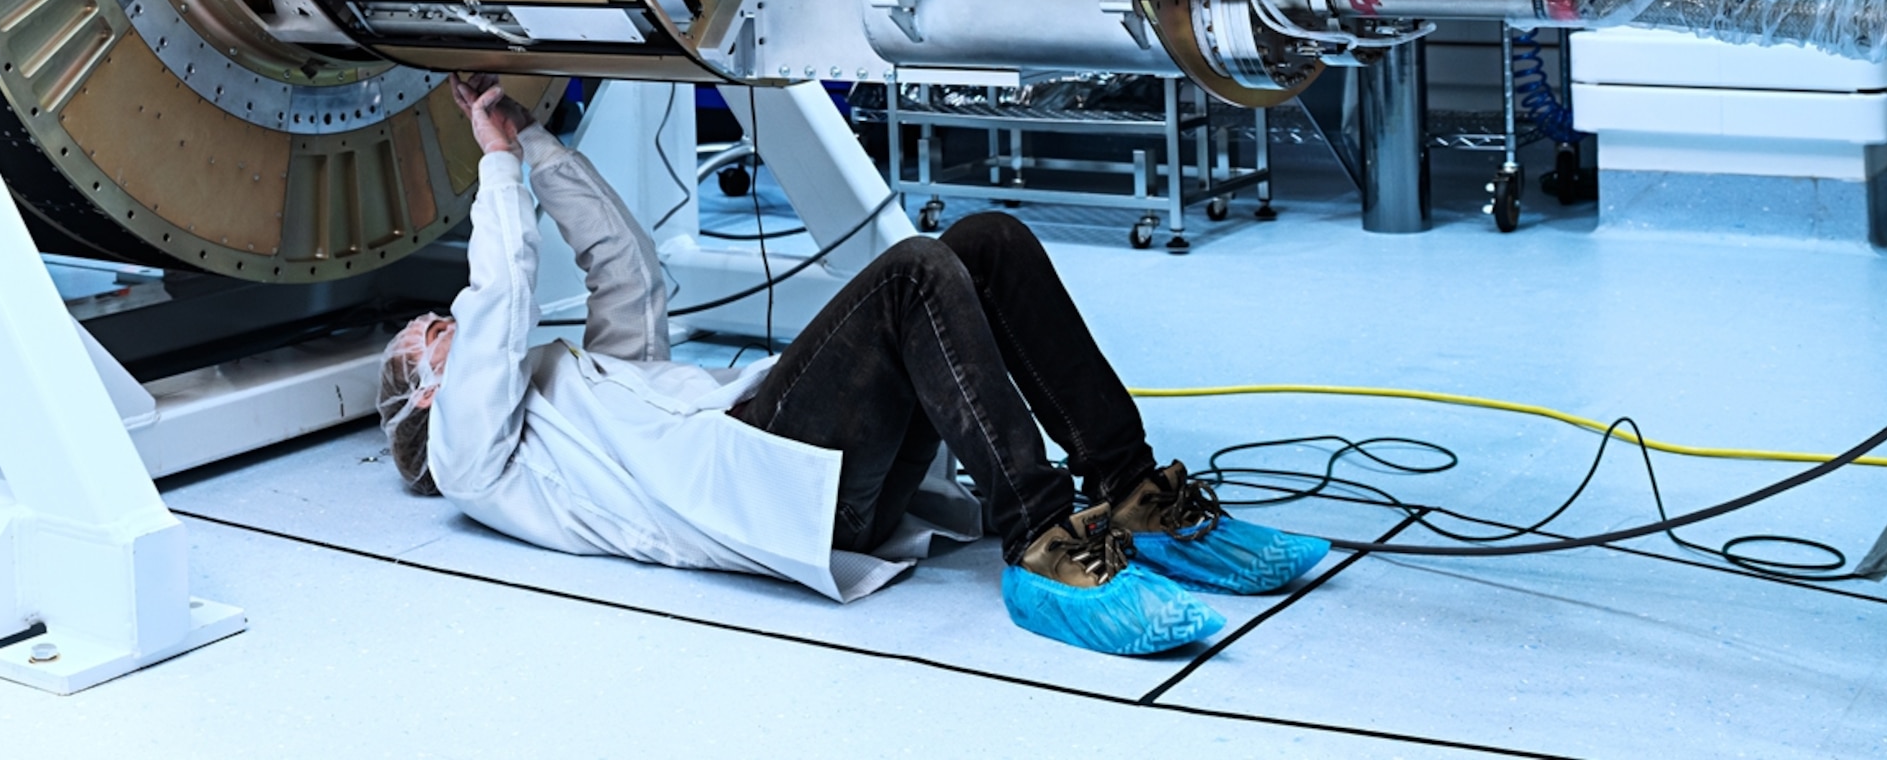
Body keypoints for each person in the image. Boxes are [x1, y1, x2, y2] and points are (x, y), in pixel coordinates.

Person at [373, 73, 1329, 657]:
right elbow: (496, 301)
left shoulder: (572, 394)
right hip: (765, 481)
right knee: (914, 273)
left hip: (788, 449)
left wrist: (533, 140)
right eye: (429, 332)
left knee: (985, 241)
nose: (443, 320)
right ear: (425, 390)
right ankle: (1044, 544)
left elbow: (627, 273)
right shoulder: (472, 459)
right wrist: (493, 169)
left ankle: (1129, 491)